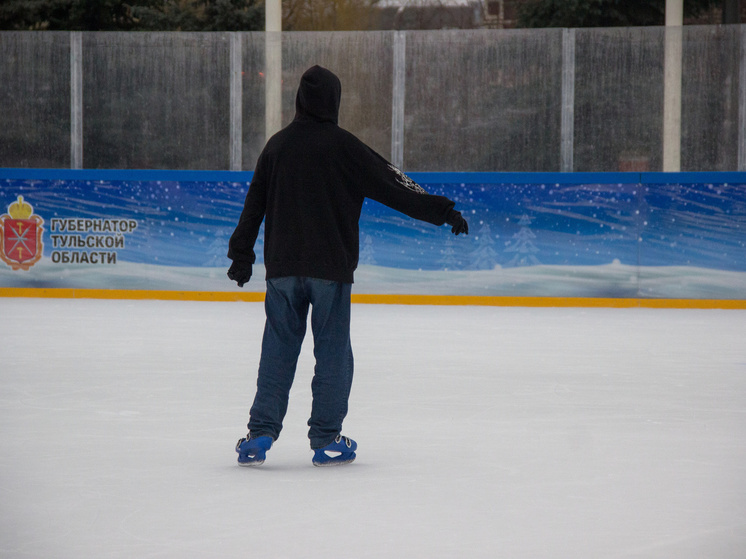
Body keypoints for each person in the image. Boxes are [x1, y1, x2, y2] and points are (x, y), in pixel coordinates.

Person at [227, 65, 468, 467]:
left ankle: (260, 433)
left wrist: (241, 255)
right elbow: (394, 184)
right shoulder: (345, 148)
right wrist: (441, 211)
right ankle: (326, 438)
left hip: (283, 269)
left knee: (278, 349)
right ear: (334, 101)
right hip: (330, 271)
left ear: (299, 101)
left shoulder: (277, 147)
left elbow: (253, 205)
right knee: (333, 352)